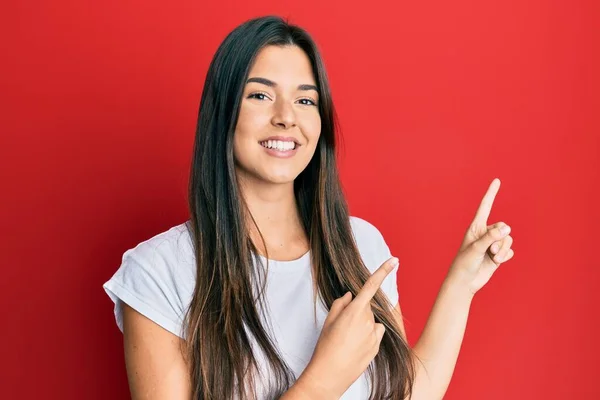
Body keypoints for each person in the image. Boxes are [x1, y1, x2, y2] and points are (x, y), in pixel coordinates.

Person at [103, 15, 515, 400]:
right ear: (224, 111)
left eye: (305, 101)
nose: (286, 118)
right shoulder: (159, 272)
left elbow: (406, 393)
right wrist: (321, 382)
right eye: (261, 95)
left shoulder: (360, 246)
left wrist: (462, 282)